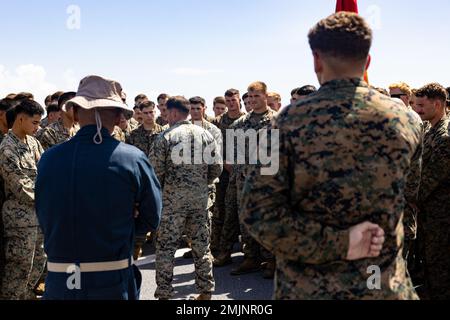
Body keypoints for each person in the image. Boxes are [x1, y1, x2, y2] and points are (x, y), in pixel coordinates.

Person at [241, 12, 419, 300]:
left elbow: (257, 212)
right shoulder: (407, 120)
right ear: (368, 61)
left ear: (316, 60)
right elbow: (410, 197)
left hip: (310, 288)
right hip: (382, 284)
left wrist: (340, 243)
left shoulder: (286, 122)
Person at [35, 75, 162, 300]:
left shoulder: (48, 159)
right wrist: (124, 226)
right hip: (111, 279)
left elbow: (44, 213)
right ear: (117, 115)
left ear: (74, 113)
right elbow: (152, 216)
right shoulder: (132, 158)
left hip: (61, 280)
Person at [150, 96, 222, 301]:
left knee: (166, 248)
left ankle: (164, 293)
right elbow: (216, 168)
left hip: (172, 204)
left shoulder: (165, 137)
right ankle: (205, 291)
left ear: (173, 113)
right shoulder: (206, 135)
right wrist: (200, 182)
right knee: (201, 247)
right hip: (200, 201)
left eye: (166, 112)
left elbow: (155, 173)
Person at [228, 82, 277, 277]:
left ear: (265, 96)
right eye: (250, 97)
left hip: (269, 182)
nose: (252, 100)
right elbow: (234, 152)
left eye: (256, 96)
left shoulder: (277, 121)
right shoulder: (240, 124)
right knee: (246, 219)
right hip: (245, 181)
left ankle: (272, 260)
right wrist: (240, 172)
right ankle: (251, 257)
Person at [0, 99, 46, 300]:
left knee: (38, 264)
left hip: (39, 218)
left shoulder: (34, 143)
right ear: (20, 119)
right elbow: (20, 186)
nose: (39, 127)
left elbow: (46, 172)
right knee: (19, 269)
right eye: (35, 123)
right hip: (19, 221)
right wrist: (49, 197)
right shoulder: (7, 148)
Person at [413, 83, 450, 300]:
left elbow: (430, 179)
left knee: (440, 267)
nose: (417, 110)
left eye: (422, 105)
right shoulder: (430, 129)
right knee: (429, 264)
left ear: (437, 104)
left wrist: (410, 198)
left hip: (441, 214)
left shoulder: (445, 137)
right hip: (428, 213)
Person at [212, 89, 246, 266]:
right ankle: (219, 248)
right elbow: (213, 146)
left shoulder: (246, 120)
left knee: (242, 212)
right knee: (221, 210)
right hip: (224, 172)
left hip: (243, 172)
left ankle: (246, 251)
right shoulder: (218, 122)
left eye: (233, 99)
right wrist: (224, 162)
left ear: (239, 99)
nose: (231, 103)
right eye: (228, 100)